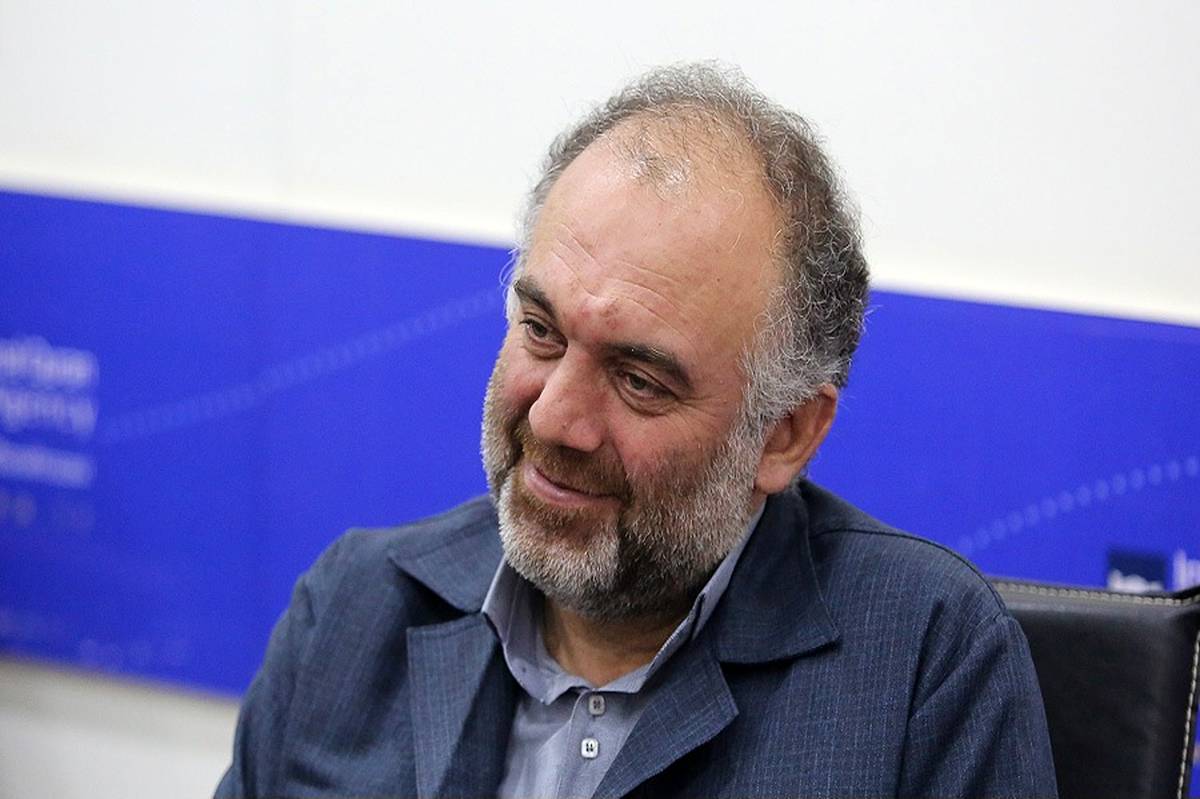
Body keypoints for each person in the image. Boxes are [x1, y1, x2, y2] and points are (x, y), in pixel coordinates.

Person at [216, 63, 1057, 798]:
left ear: (785, 434)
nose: (554, 418)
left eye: (639, 380)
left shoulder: (925, 665)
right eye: (541, 331)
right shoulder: (355, 608)